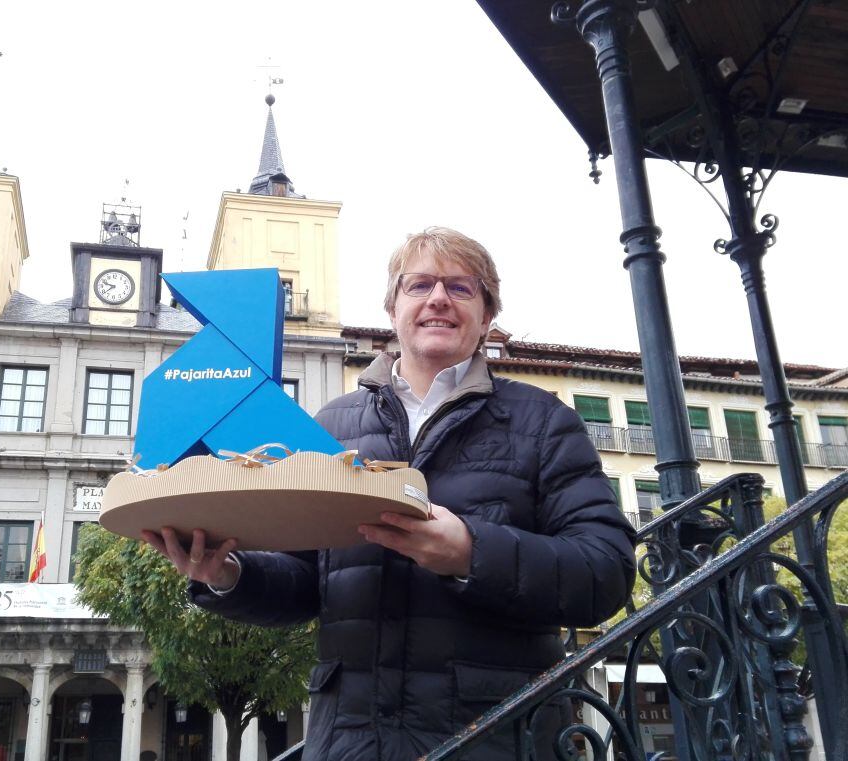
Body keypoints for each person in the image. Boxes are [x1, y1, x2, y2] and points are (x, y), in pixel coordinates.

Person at [142, 227, 637, 760]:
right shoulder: (331, 425)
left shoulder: (544, 422)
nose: (438, 299)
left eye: (461, 288)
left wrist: (471, 552)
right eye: (419, 285)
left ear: (488, 315)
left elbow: (605, 573)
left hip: (497, 736)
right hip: (352, 740)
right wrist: (228, 575)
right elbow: (307, 580)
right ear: (393, 308)